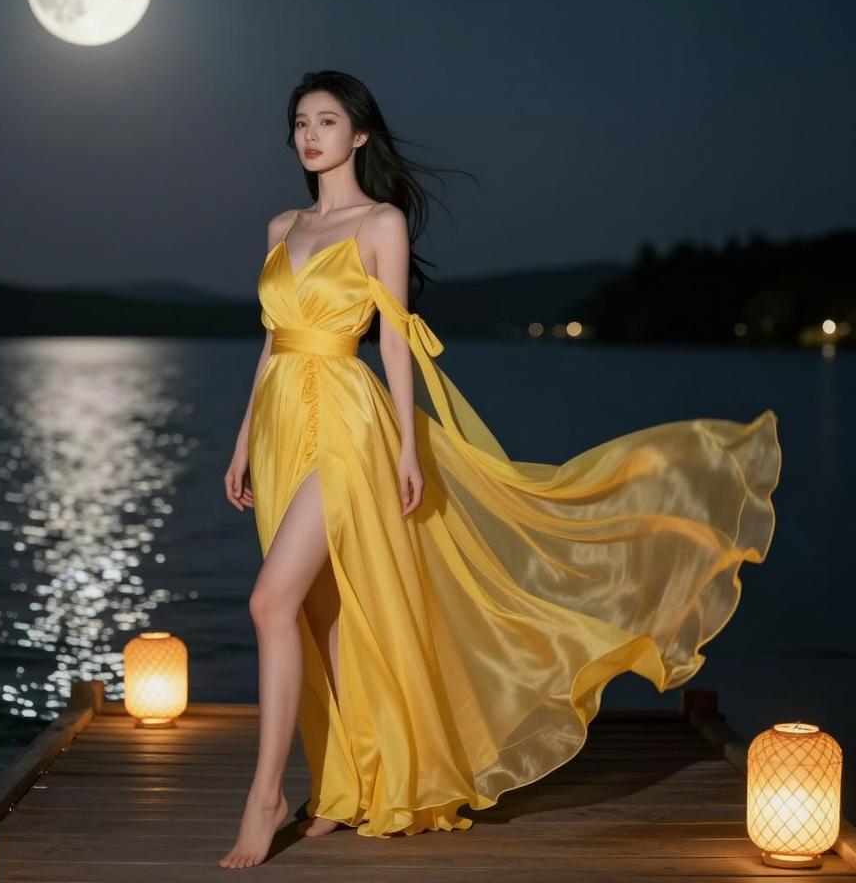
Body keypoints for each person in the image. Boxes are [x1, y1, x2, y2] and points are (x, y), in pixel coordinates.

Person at [218, 70, 782, 869]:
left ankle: (266, 795)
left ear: (361, 135)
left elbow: (394, 340)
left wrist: (411, 449)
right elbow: (271, 342)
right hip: (279, 425)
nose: (310, 135)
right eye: (300, 123)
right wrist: (242, 442)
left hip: (347, 423)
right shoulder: (282, 226)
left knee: (268, 602)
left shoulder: (379, 223)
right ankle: (356, 783)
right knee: (322, 613)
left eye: (327, 120)